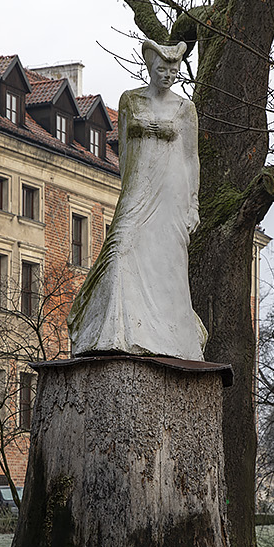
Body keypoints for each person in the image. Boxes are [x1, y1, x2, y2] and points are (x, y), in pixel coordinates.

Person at [67, 39, 207, 360]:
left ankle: (172, 339)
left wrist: (194, 204)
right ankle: (111, 332)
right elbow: (124, 157)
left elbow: (190, 159)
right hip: (139, 189)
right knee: (119, 249)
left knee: (168, 265)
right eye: (162, 70)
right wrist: (131, 189)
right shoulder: (131, 101)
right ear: (150, 67)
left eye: (173, 71)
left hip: (172, 195)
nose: (168, 76)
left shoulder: (185, 109)